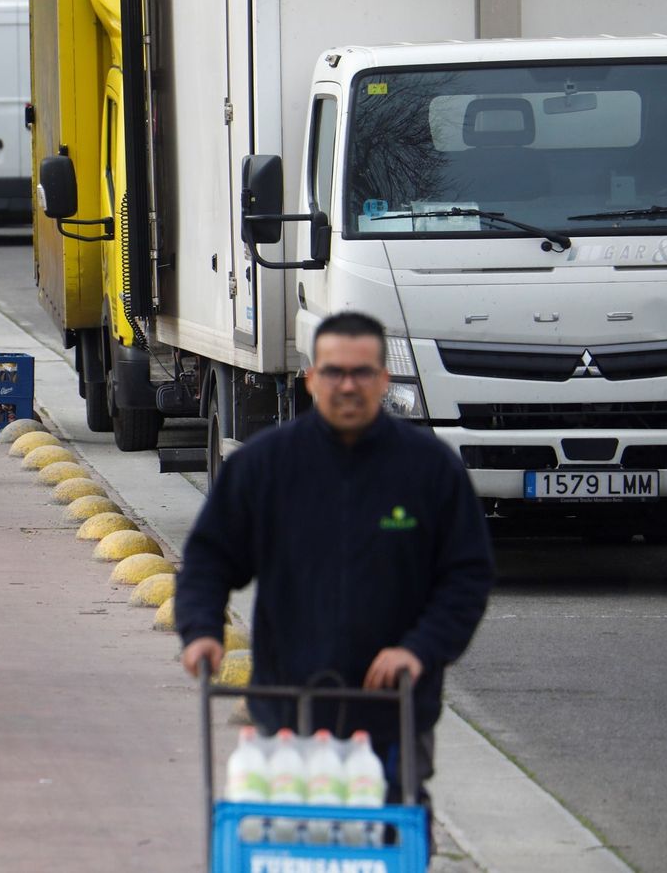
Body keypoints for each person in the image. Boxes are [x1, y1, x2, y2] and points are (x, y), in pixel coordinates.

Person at [175, 310, 494, 811]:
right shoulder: (264, 467)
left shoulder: (429, 469)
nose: (347, 385)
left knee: (389, 834)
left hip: (395, 708)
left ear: (383, 380)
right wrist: (201, 629)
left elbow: (466, 574)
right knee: (295, 838)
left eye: (361, 372)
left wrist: (420, 649)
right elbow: (210, 557)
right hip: (288, 709)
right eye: (334, 372)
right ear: (311, 378)